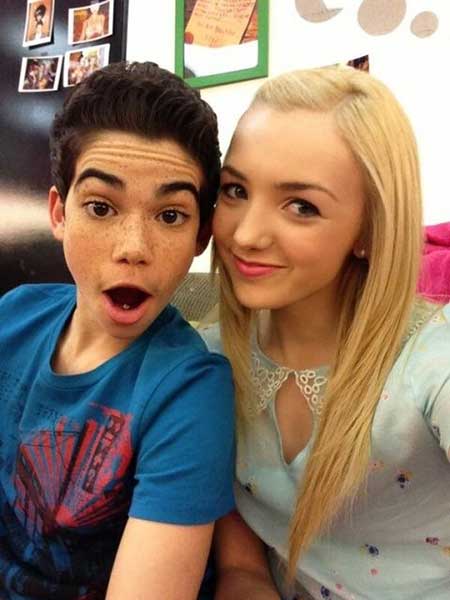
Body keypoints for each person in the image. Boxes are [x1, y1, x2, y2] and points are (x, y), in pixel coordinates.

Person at [202, 66, 450, 599]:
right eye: (235, 190)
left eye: (302, 206)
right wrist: (244, 579)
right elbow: (241, 562)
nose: (246, 234)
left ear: (370, 229)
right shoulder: (206, 361)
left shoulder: (433, 367)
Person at [0, 61, 235, 599]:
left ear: (201, 236)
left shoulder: (189, 389)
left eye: (170, 216)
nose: (133, 248)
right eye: (101, 207)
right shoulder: (14, 316)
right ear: (59, 213)